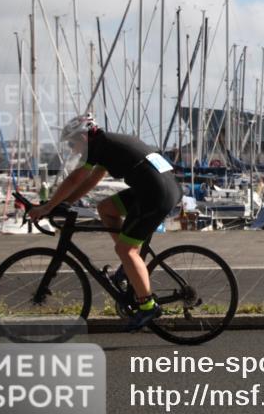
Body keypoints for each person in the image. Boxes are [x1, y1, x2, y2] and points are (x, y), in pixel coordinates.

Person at [30, 114, 182, 331]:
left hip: (156, 194)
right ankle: (129, 268)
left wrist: (48, 207)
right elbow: (92, 180)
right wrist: (66, 203)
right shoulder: (106, 144)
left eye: (73, 143)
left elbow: (76, 178)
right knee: (106, 208)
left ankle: (147, 305)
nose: (73, 149)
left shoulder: (100, 145)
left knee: (125, 249)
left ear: (84, 136)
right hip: (155, 189)